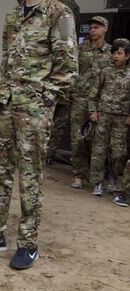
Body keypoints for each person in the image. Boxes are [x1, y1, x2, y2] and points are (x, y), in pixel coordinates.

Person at [0, 0, 78, 270]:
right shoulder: (13, 14)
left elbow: (68, 69)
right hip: (5, 103)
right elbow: (7, 61)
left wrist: (43, 99)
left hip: (33, 108)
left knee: (30, 175)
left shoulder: (59, 13)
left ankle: (27, 244)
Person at [70, 16, 112, 189]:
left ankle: (97, 176)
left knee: (97, 140)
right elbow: (71, 70)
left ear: (105, 29)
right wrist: (69, 91)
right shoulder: (80, 49)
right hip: (80, 98)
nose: (93, 30)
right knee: (77, 137)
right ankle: (78, 174)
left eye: (97, 27)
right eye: (91, 27)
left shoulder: (111, 52)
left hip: (101, 103)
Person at [88, 41, 130, 196]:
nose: (115, 56)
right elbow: (93, 93)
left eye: (119, 53)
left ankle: (113, 178)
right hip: (102, 116)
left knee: (118, 152)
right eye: (114, 53)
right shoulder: (105, 72)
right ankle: (97, 183)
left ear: (127, 56)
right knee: (99, 150)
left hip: (121, 119)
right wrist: (92, 111)